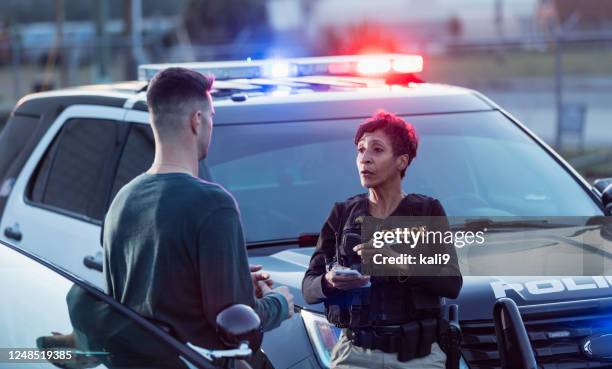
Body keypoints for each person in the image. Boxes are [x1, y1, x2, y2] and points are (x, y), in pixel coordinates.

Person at [102, 67, 294, 355]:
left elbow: (147, 296)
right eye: (212, 117)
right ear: (197, 120)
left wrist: (237, 279)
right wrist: (278, 304)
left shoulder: (122, 200)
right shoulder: (213, 204)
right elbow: (237, 331)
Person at [302, 110, 462, 369]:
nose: (364, 159)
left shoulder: (426, 210)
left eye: (377, 150)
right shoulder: (342, 213)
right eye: (360, 150)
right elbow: (309, 288)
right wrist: (329, 281)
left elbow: (452, 283)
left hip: (417, 357)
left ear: (401, 161)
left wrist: (400, 264)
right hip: (354, 354)